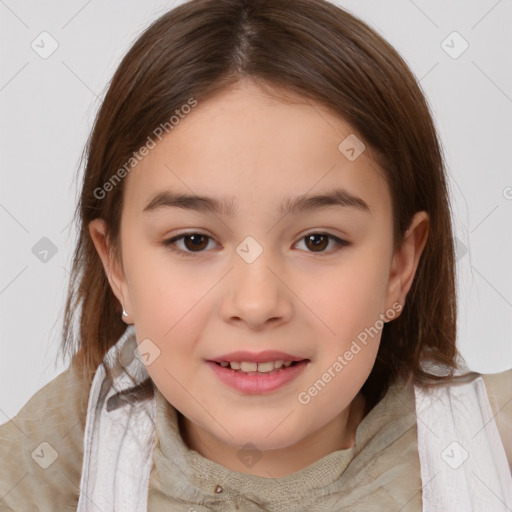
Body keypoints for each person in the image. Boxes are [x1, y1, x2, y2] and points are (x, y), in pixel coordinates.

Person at [1, 0, 511, 510]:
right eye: (194, 241)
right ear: (117, 268)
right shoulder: (54, 459)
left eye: (318, 240)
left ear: (399, 267)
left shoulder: (494, 449)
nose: (257, 302)